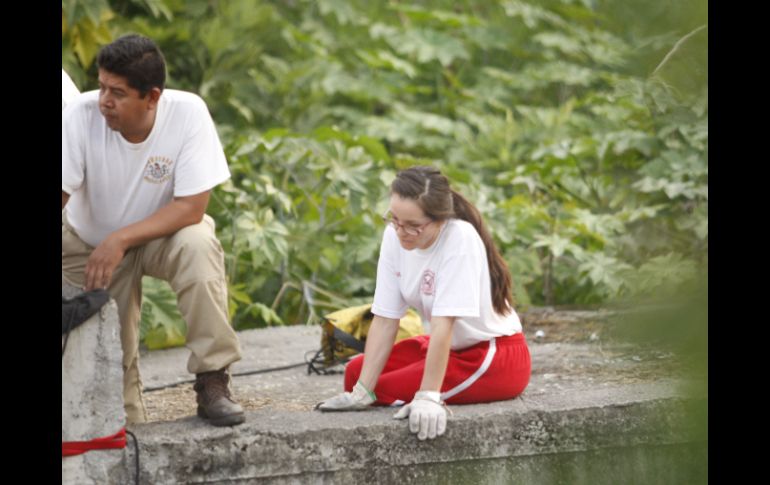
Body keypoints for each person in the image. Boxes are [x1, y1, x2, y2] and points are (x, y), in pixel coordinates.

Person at [62, 34, 245, 427]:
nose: (104, 101)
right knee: (107, 360)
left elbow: (192, 207)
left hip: (161, 234)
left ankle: (213, 380)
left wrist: (121, 239)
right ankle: (128, 427)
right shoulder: (79, 115)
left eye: (118, 93)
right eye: (102, 87)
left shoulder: (188, 113)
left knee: (198, 245)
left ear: (152, 97)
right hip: (87, 244)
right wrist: (106, 243)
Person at [317, 166, 531, 440]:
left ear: (440, 220)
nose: (402, 231)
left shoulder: (459, 238)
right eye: (394, 219)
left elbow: (444, 325)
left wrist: (429, 396)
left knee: (385, 389)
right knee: (356, 375)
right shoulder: (395, 235)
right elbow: (385, 318)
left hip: (491, 356)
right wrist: (361, 392)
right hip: (449, 348)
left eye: (414, 226)